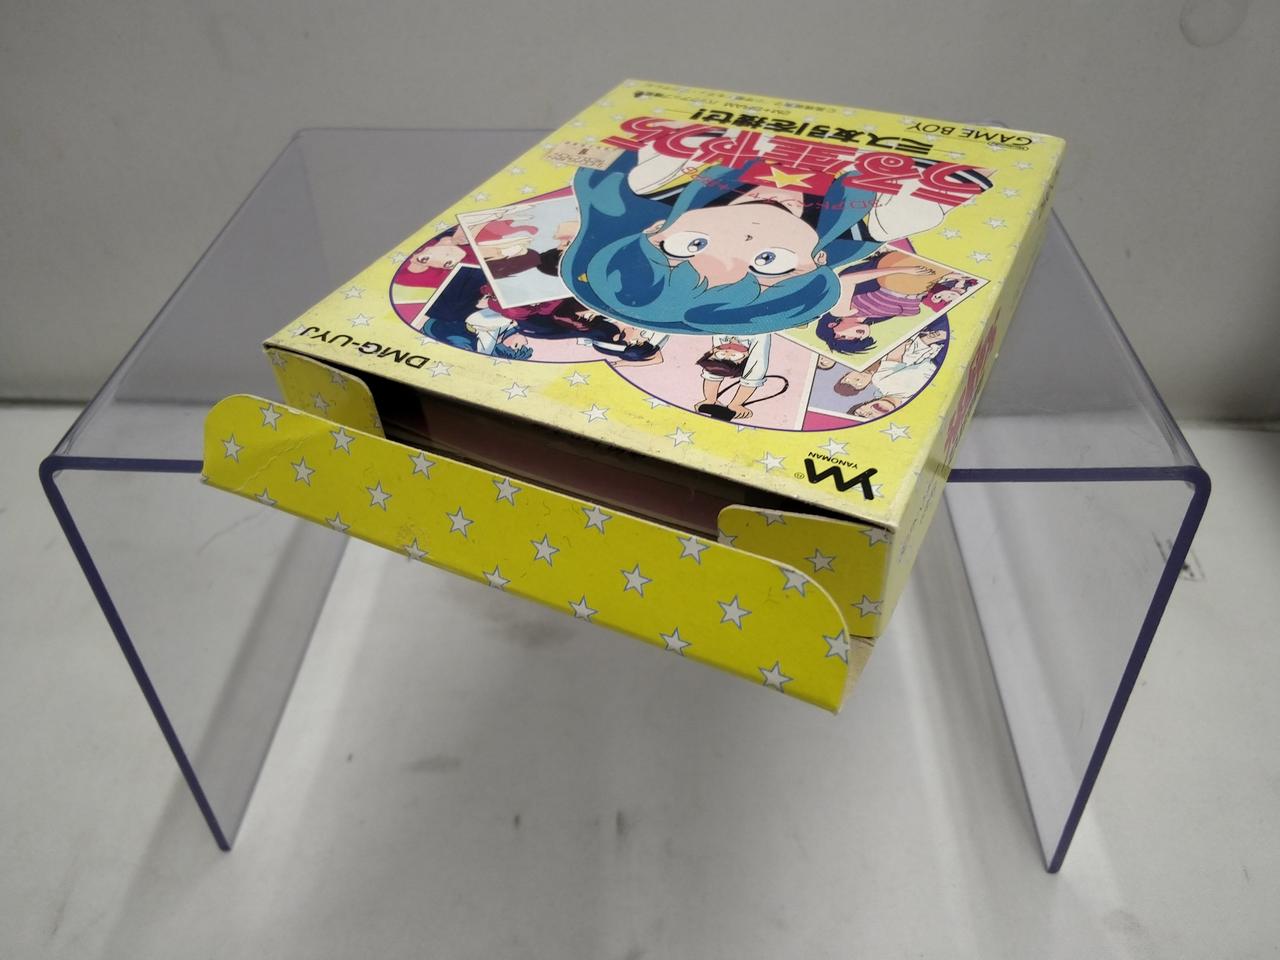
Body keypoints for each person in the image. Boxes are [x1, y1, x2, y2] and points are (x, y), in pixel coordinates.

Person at [560, 126, 985, 336]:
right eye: (767, 261)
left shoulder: (660, 184)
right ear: (818, 260)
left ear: (657, 228)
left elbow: (634, 138)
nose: (745, 239)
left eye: (692, 246)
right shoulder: (863, 225)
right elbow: (968, 170)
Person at [694, 335, 772, 420]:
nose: (728, 352)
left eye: (722, 354)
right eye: (734, 355)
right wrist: (711, 400)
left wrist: (711, 399)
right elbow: (754, 370)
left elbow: (713, 368)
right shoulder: (759, 339)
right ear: (746, 356)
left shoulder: (721, 339)